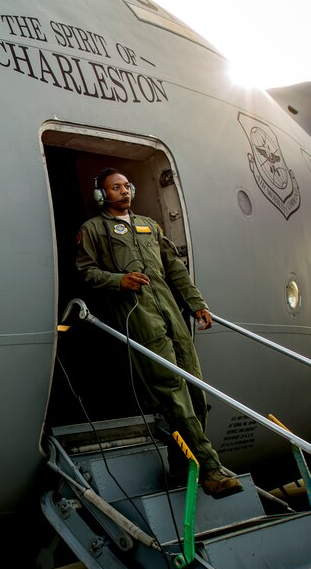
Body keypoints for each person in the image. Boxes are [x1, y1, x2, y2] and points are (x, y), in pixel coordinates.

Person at [74, 167, 243, 499]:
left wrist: (196, 304)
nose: (123, 192)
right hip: (137, 313)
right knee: (171, 389)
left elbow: (174, 266)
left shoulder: (149, 226)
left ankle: (181, 465)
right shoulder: (92, 230)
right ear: (100, 195)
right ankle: (210, 468)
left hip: (170, 310)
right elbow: (85, 272)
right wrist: (117, 281)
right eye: (115, 187)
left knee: (195, 389)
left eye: (126, 186)